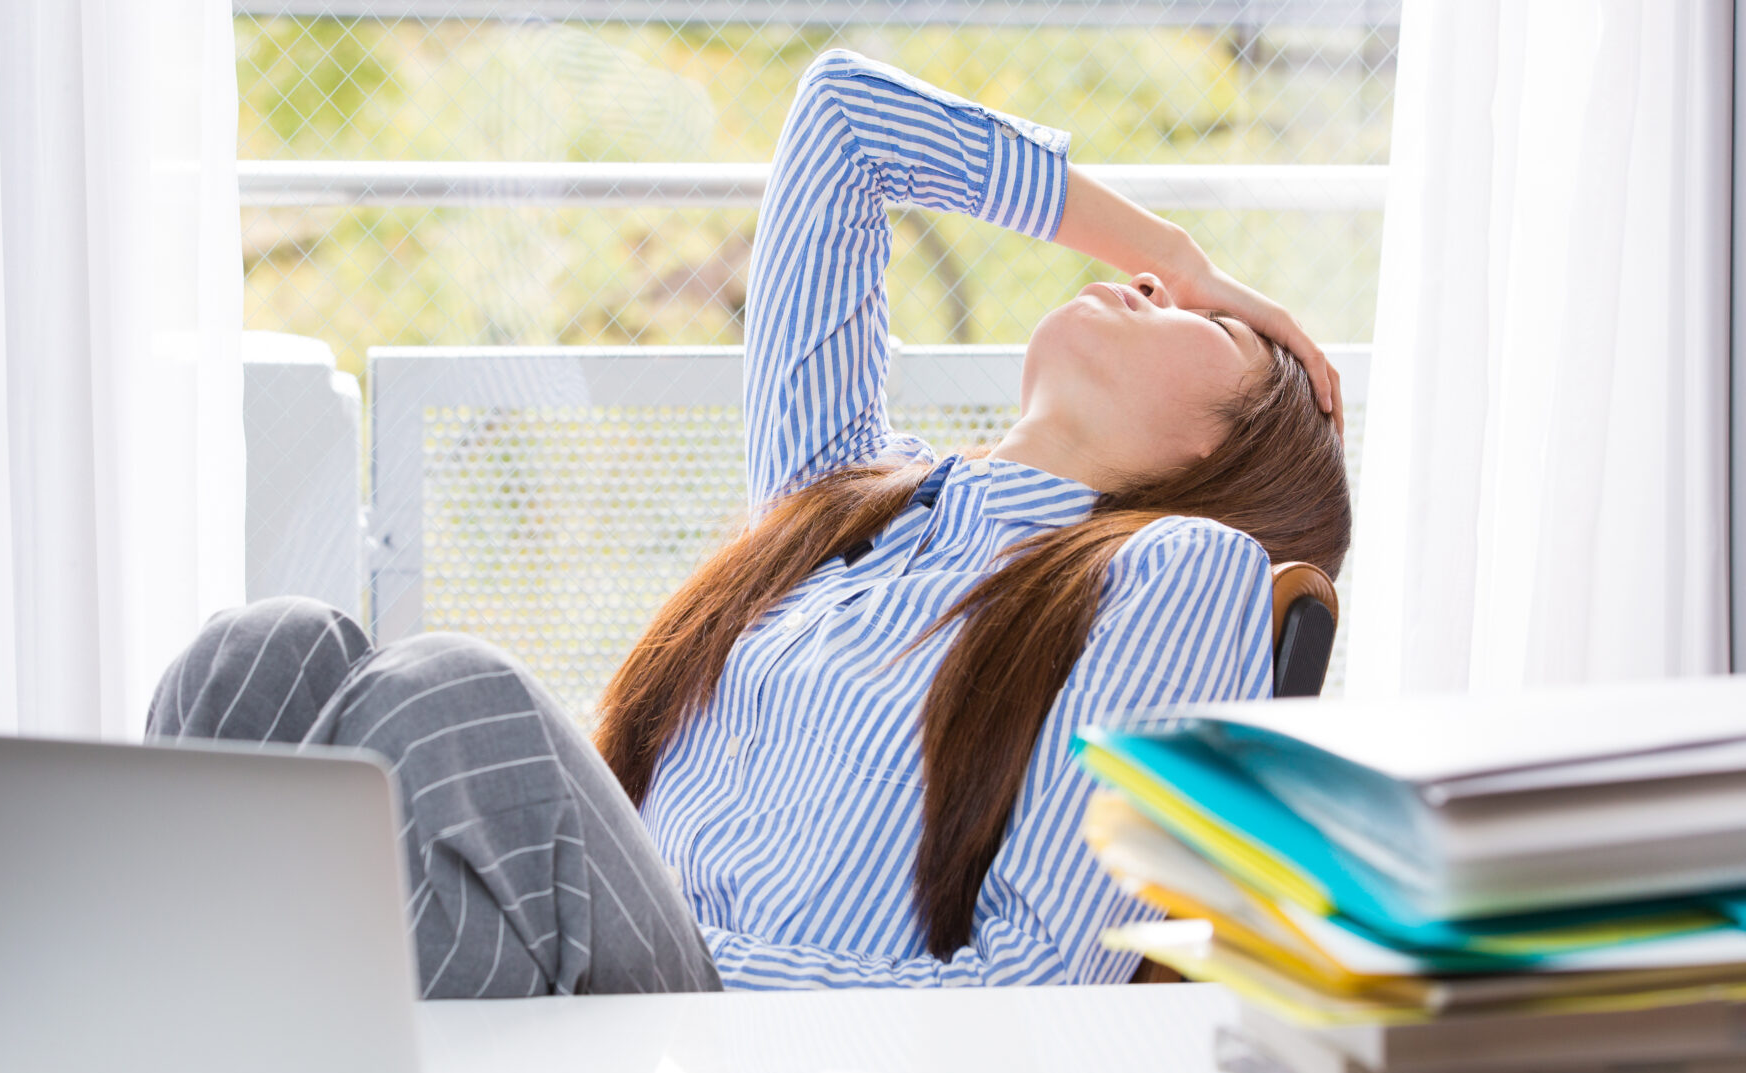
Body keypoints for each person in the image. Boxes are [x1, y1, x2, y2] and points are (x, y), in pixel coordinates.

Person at [149, 50, 1350, 997]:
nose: (1151, 293)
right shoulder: (842, 501)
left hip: (737, 1026)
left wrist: (690, 972)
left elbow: (1040, 975)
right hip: (600, 967)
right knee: (262, 656)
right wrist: (1172, 253)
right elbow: (843, 118)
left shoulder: (1185, 569)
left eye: (1214, 330)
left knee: (448, 704)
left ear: (1218, 457)